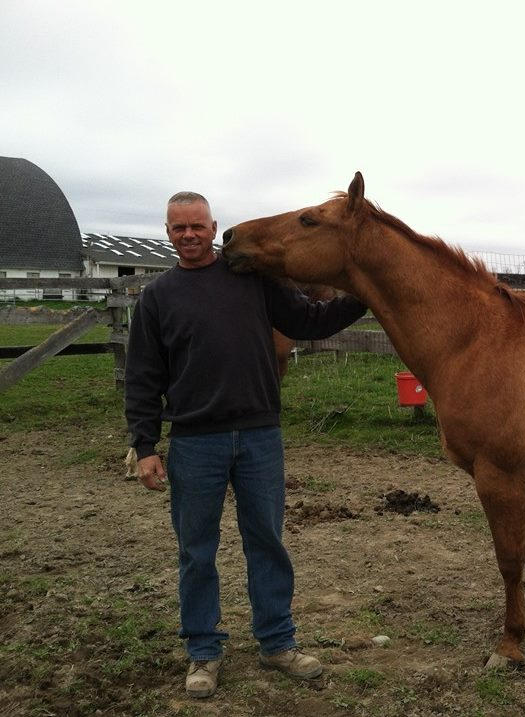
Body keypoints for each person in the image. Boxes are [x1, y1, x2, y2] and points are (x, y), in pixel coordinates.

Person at [125, 191, 366, 699]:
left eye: (197, 226)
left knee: (267, 542)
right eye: (178, 228)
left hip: (259, 437)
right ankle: (203, 651)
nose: (188, 235)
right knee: (196, 551)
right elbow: (144, 376)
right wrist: (145, 444)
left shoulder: (253, 280)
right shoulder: (157, 297)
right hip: (194, 442)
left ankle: (277, 642)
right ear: (167, 232)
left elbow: (308, 322)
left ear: (213, 228)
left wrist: (368, 291)